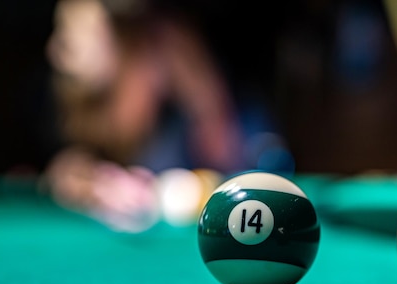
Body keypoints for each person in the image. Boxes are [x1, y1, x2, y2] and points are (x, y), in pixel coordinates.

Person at [42, 0, 290, 231]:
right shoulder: (80, 96)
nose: (55, 50)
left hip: (232, 153)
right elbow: (67, 169)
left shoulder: (167, 44)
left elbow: (223, 147)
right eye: (62, 31)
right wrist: (96, 185)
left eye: (76, 32)